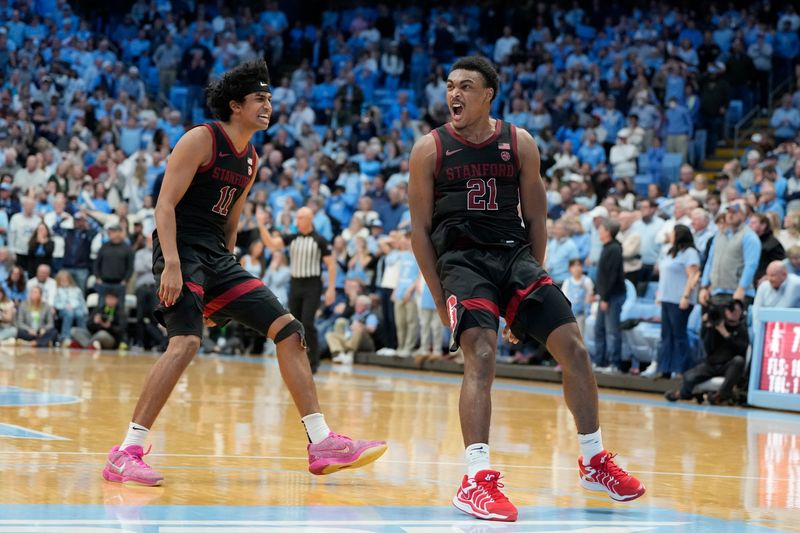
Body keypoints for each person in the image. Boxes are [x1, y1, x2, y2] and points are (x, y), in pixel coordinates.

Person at [102, 60, 385, 488]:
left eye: (270, 98)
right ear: (236, 105)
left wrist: (224, 289)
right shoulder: (201, 139)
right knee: (185, 342)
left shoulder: (250, 159)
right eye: (260, 98)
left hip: (217, 257)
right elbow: (164, 206)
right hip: (180, 247)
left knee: (290, 331)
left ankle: (322, 441)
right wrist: (174, 265)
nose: (269, 105)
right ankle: (126, 451)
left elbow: (230, 223)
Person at [408, 56, 644, 523]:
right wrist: (439, 299)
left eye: (466, 86)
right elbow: (419, 232)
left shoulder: (519, 142)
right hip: (461, 260)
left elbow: (537, 218)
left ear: (488, 94)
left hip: (515, 256)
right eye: (450, 86)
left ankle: (594, 459)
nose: (454, 94)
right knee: (482, 351)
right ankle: (475, 478)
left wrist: (530, 286)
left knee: (574, 347)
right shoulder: (429, 149)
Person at [256, 206, 337, 373]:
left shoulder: (320, 240)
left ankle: (313, 361)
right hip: (295, 284)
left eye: (301, 218)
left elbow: (331, 265)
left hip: (312, 285)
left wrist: (331, 289)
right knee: (295, 324)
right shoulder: (292, 238)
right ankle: (296, 359)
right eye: (297, 217)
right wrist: (261, 225)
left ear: (309, 220)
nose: (297, 221)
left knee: (308, 322)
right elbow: (271, 244)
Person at [665, 299, 748, 404]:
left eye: (736, 311)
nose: (733, 313)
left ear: (741, 312)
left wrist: (726, 334)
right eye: (731, 310)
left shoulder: (742, 329)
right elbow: (707, 346)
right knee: (689, 376)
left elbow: (741, 348)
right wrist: (707, 326)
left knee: (739, 361)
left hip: (729, 365)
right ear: (725, 311)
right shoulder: (716, 323)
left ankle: (720, 395)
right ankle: (683, 394)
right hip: (712, 364)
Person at [654, 224, 700, 377]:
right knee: (666, 335)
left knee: (679, 334)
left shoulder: (690, 253)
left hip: (680, 299)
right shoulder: (671, 252)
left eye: (672, 233)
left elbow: (693, 276)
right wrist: (659, 295)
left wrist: (686, 296)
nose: (670, 235)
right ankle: (665, 369)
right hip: (667, 298)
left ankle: (683, 369)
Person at [593, 218, 627, 374]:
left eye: (601, 229)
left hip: (612, 296)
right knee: (599, 328)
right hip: (605, 295)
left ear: (607, 232)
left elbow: (612, 276)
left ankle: (615, 364)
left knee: (612, 331)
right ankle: (600, 361)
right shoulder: (607, 247)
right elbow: (602, 275)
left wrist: (605, 297)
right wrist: (597, 292)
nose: (599, 231)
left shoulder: (614, 249)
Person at [53, 270, 88, 344]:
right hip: (63, 309)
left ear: (69, 279)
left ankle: (84, 335)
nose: (64, 281)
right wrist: (64, 306)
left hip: (76, 308)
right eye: (62, 279)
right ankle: (65, 337)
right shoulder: (57, 290)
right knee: (69, 313)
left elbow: (82, 301)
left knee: (80, 314)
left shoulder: (76, 289)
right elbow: (55, 303)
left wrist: (85, 311)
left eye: (65, 279)